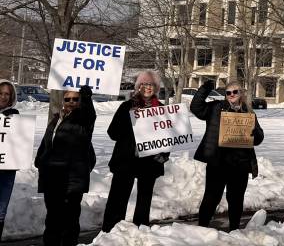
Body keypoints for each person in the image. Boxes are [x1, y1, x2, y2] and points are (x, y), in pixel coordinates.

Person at [102, 70, 170, 232]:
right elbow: (113, 133)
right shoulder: (126, 107)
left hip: (149, 161)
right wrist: (131, 120)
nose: (148, 88)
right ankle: (110, 231)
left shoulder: (161, 109)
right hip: (126, 160)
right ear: (139, 87)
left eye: (152, 85)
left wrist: (163, 156)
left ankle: (141, 231)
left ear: (156, 88)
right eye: (145, 84)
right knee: (118, 198)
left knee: (144, 200)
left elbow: (169, 137)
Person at [191, 80, 264, 231]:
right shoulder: (216, 107)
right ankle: (201, 230)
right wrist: (205, 89)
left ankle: (234, 231)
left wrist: (254, 134)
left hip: (240, 163)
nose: (231, 95)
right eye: (228, 92)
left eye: (235, 92)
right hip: (218, 162)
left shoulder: (248, 112)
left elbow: (259, 137)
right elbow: (196, 108)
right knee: (211, 197)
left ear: (240, 93)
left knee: (236, 199)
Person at [34, 86, 96, 246]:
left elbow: (90, 115)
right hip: (52, 177)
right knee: (53, 219)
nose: (71, 102)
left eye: (75, 99)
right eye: (68, 99)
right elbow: (47, 141)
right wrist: (40, 159)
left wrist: (87, 97)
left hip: (72, 178)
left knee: (70, 221)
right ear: (63, 101)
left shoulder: (83, 121)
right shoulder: (56, 119)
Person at [0, 80, 20, 240]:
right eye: (0, 93)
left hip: (6, 172)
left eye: (7, 94)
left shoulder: (15, 116)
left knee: (0, 212)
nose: (3, 97)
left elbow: (20, 143)